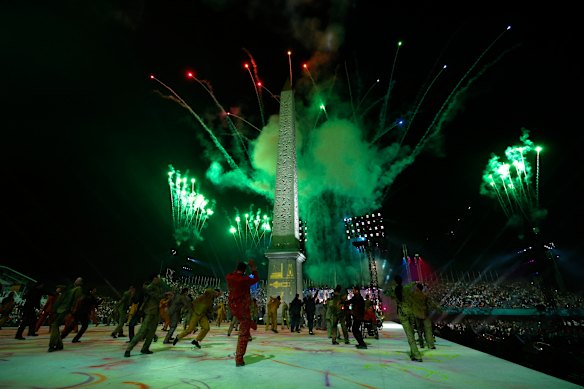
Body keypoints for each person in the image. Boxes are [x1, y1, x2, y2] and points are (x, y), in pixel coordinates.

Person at [226, 259, 259, 367]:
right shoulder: (244, 280)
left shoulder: (229, 277)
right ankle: (239, 359)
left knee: (244, 323)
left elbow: (233, 274)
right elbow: (256, 279)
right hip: (243, 309)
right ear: (244, 271)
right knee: (243, 334)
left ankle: (251, 324)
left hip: (233, 307)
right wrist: (253, 268)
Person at [125, 274, 164, 357]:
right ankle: (129, 349)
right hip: (149, 312)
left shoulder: (158, 287)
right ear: (154, 279)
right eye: (157, 278)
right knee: (142, 331)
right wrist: (164, 295)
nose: (159, 279)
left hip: (155, 312)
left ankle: (145, 348)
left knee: (151, 332)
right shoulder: (150, 287)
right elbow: (154, 295)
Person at [386, 275, 423, 362]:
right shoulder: (406, 288)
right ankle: (413, 353)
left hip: (403, 313)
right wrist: (416, 282)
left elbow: (387, 293)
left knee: (409, 334)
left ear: (395, 282)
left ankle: (417, 355)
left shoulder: (394, 290)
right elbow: (411, 284)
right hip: (410, 312)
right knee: (412, 333)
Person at [411, 282, 437, 349]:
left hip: (417, 314)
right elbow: (431, 304)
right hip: (425, 314)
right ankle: (430, 345)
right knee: (428, 330)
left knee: (419, 330)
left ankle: (421, 344)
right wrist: (437, 309)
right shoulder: (425, 296)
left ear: (417, 288)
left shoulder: (414, 296)